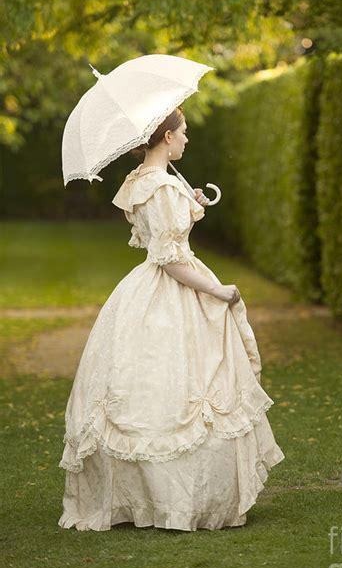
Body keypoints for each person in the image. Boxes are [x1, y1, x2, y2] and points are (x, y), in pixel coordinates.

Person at [57, 106, 285, 532]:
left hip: (146, 287)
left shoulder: (144, 182)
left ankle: (152, 499)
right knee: (177, 386)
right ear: (166, 137)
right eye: (182, 133)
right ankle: (179, 501)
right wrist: (216, 291)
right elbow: (169, 259)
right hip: (170, 290)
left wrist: (188, 201)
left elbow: (160, 234)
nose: (186, 140)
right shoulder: (159, 187)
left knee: (151, 384)